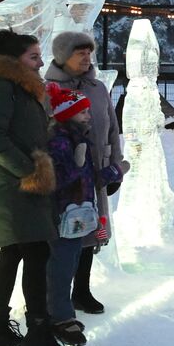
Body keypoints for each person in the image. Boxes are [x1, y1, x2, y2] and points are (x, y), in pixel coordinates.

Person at [0, 29, 73, 346]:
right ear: (11, 62)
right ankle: (38, 334)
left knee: (15, 251)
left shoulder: (20, 90)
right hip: (11, 188)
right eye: (33, 56)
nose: (41, 62)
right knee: (36, 251)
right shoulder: (2, 89)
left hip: (18, 186)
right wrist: (29, 172)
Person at [44, 31, 127, 316]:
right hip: (66, 175)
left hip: (98, 171)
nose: (86, 58)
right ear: (63, 56)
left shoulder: (97, 87)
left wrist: (115, 165)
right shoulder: (49, 89)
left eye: (88, 53)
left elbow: (113, 128)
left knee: (91, 228)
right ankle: (58, 297)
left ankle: (82, 290)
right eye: (80, 54)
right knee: (68, 231)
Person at [44, 83, 102, 346]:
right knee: (61, 265)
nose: (88, 117)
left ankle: (63, 310)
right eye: (82, 113)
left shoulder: (79, 138)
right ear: (68, 115)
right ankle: (60, 315)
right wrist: (77, 166)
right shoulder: (59, 140)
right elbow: (59, 179)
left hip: (78, 213)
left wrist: (113, 173)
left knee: (72, 260)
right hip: (63, 213)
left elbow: (87, 176)